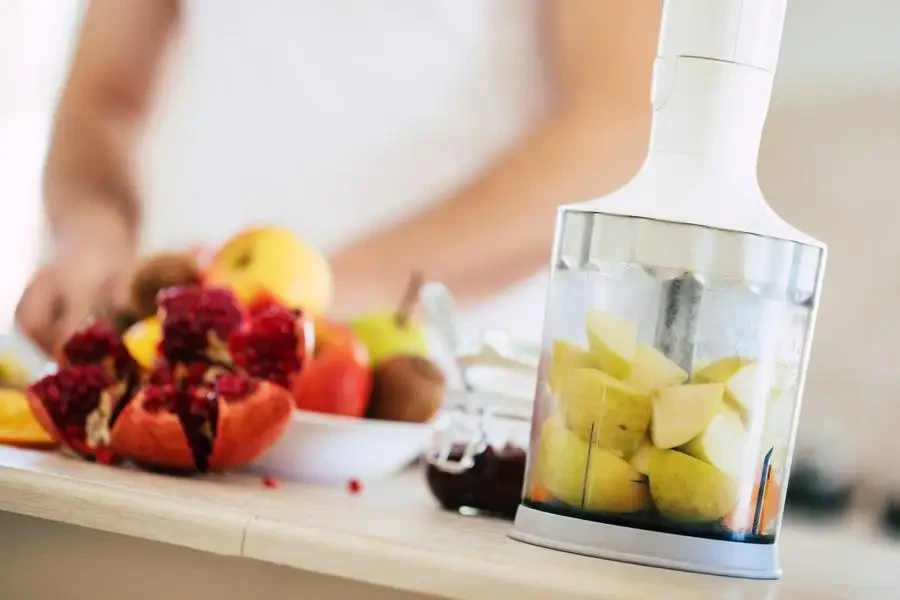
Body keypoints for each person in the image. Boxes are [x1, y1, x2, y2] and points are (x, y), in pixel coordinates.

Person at [14, 0, 661, 355]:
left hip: (441, 396)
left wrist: (305, 299)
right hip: (178, 364)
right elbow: (104, 94)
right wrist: (94, 230)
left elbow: (618, 130)